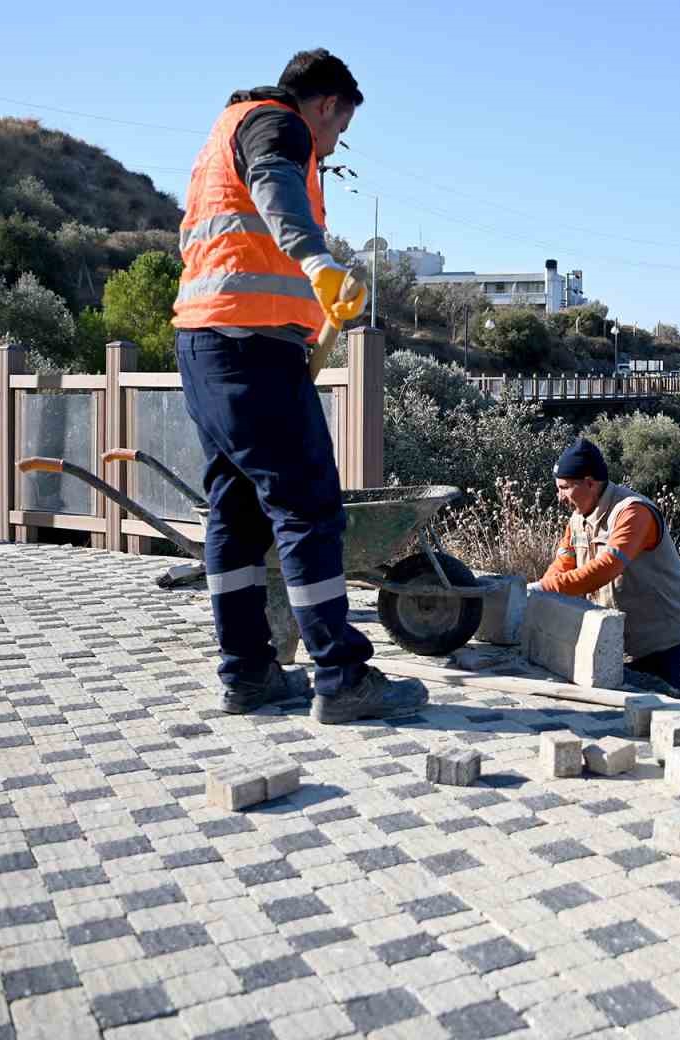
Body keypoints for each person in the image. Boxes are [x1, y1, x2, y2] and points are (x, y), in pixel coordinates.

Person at [171, 49, 427, 723]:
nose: (333, 145)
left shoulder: (224, 129)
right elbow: (276, 186)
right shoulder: (277, 125)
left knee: (236, 509)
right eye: (339, 130)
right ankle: (341, 677)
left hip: (205, 340)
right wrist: (318, 261)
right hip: (250, 345)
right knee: (308, 504)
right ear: (326, 106)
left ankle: (248, 672)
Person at [528, 438, 680, 698]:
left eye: (564, 488)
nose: (560, 497)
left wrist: (543, 589)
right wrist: (541, 594)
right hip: (620, 646)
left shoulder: (633, 512)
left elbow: (607, 567)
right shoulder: (578, 519)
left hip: (668, 646)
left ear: (589, 482)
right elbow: (562, 565)